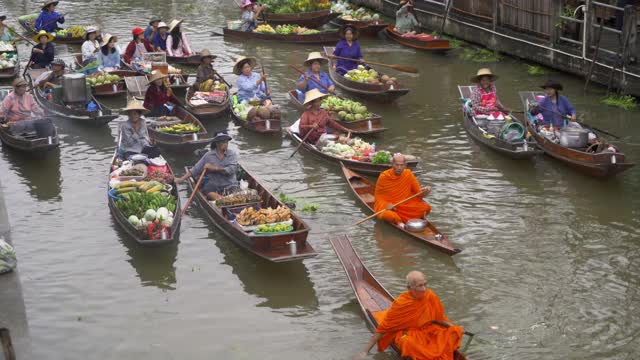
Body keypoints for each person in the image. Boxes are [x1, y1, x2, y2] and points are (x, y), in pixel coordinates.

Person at [355, 271, 464, 360]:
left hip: (427, 330)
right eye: (420, 286)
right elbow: (383, 328)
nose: (424, 289)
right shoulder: (401, 304)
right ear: (409, 288)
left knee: (455, 331)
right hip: (409, 333)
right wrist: (365, 351)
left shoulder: (430, 296)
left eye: (425, 284)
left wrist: (452, 326)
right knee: (408, 343)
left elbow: (438, 319)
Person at [175, 131, 238, 201]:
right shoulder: (208, 155)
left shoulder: (231, 154)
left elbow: (231, 170)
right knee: (209, 192)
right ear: (217, 143)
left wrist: (215, 168)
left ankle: (224, 201)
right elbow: (195, 169)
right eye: (223, 142)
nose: (226, 144)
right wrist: (181, 179)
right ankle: (222, 201)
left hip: (229, 184)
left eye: (226, 142)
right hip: (214, 186)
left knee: (234, 193)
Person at [374, 153, 431, 228]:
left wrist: (426, 191)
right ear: (392, 164)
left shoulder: (408, 174)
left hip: (404, 206)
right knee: (387, 214)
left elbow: (419, 193)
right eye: (397, 165)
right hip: (391, 208)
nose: (399, 168)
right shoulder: (384, 176)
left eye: (401, 165)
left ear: (405, 165)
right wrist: (386, 205)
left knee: (427, 207)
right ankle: (400, 222)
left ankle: (410, 220)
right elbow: (378, 197)